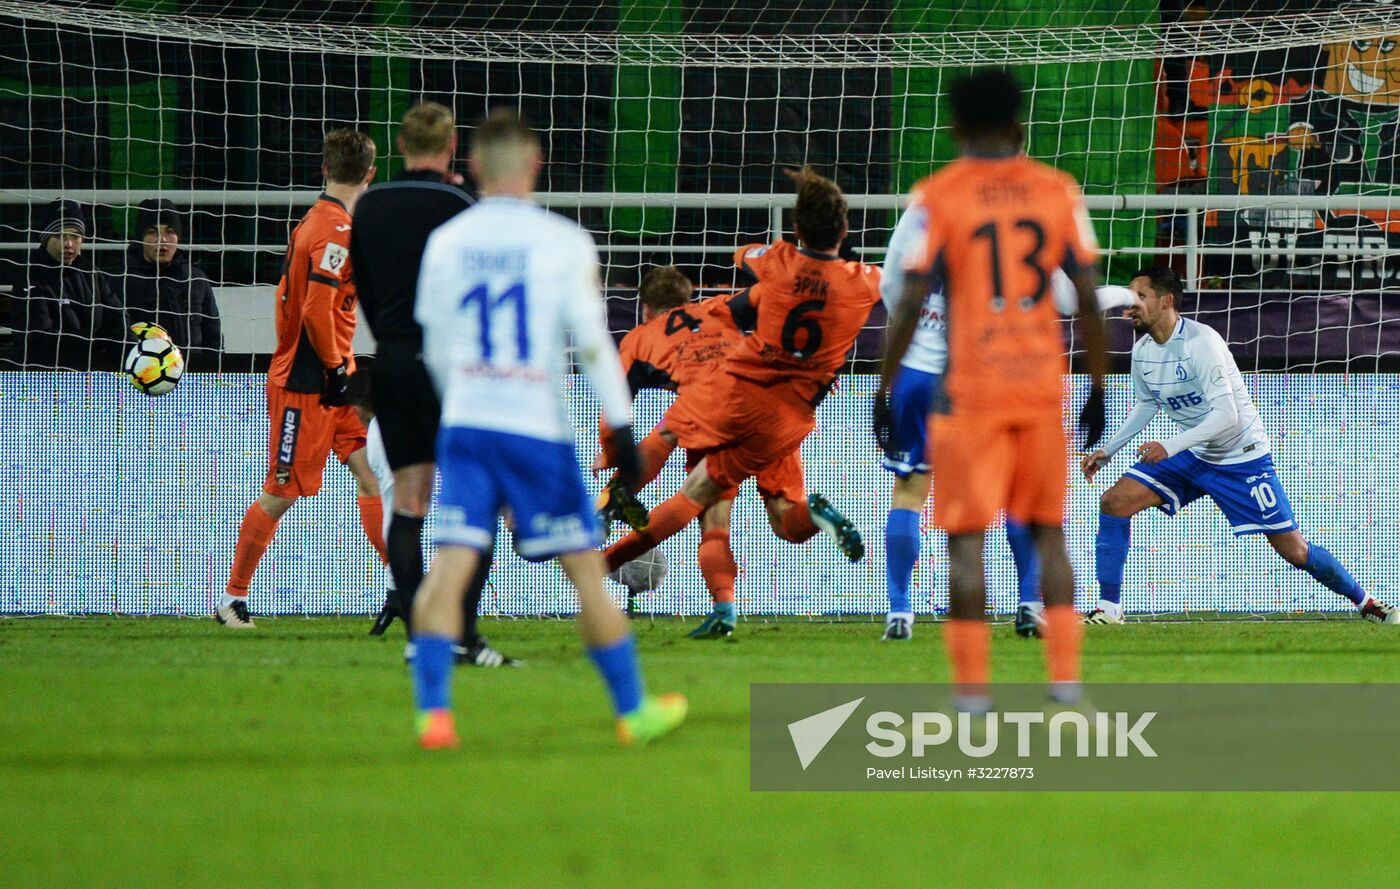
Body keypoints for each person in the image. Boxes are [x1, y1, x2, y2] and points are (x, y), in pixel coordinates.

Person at [410, 110, 686, 749]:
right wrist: (621, 432)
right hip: (536, 425)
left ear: (473, 166)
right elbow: (592, 345)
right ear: (535, 165)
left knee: (451, 564)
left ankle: (434, 717)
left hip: (469, 423)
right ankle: (632, 710)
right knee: (586, 571)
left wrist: (460, 406)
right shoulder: (563, 241)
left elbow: (434, 345)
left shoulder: (447, 242)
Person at [881, 69, 1109, 713]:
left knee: (964, 539)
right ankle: (1064, 683)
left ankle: (973, 693)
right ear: (1020, 124)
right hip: (1039, 386)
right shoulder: (1056, 191)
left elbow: (912, 297)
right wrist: (1095, 385)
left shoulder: (937, 195)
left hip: (970, 390)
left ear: (954, 126)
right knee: (1050, 534)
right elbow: (1088, 298)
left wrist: (883, 385)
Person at [601, 167, 878, 591]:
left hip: (729, 400)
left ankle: (610, 515)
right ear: (844, 228)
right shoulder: (722, 307)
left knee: (701, 501)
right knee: (787, 521)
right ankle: (816, 516)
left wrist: (613, 454)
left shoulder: (641, 336)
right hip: (789, 412)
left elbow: (745, 256)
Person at [1081, 267, 1397, 625]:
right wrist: (1108, 450)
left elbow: (1227, 416)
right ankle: (1109, 609)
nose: (1130, 306)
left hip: (1240, 458)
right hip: (1193, 454)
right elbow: (1146, 403)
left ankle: (1366, 602)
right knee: (1114, 502)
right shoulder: (1142, 351)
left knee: (1294, 550)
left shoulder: (1202, 343)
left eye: (1140, 297)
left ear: (1166, 301)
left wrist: (1169, 445)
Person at [877, 205, 1137, 641]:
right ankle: (1031, 605)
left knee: (910, 491)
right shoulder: (1026, 213)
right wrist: (1126, 296)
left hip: (919, 372)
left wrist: (917, 339)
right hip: (988, 371)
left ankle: (900, 612)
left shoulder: (931, 203)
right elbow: (1073, 300)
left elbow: (891, 286)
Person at [347, 101, 516, 667]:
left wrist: (393, 341)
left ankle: (422, 638)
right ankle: (464, 635)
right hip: (455, 367)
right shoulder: (461, 205)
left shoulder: (369, 205)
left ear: (399, 146)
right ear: (450, 148)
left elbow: (364, 289)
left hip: (393, 360)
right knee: (477, 500)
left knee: (409, 504)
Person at [215, 129, 386, 630]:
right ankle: (232, 598)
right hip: (308, 382)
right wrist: (335, 368)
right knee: (284, 489)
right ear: (371, 174)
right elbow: (314, 308)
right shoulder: (334, 229)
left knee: (372, 475)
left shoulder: (319, 221)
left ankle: (407, 590)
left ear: (324, 168)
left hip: (337, 374)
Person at [345, 370, 522, 665]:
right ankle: (453, 635)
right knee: (469, 523)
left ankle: (428, 632)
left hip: (460, 423)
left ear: (359, 406)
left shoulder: (383, 429)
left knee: (412, 514)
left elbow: (394, 512)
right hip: (470, 424)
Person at [3, 199, 124, 370]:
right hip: (48, 378)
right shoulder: (30, 278)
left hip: (93, 375)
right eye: (60, 236)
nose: (68, 244)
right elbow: (37, 340)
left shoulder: (92, 274)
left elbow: (119, 318)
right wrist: (99, 341)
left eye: (75, 236)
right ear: (45, 239)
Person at [107, 199, 223, 369]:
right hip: (142, 379)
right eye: (153, 232)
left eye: (169, 231)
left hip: (193, 377)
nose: (162, 240)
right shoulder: (120, 281)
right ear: (140, 237)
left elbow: (213, 337)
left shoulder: (196, 280)